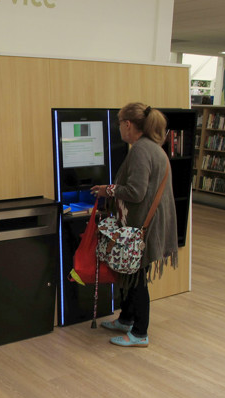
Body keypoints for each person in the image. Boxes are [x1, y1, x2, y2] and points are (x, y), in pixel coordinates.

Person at [91, 102, 178, 348]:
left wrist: (107, 190)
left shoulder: (141, 150)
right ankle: (126, 319)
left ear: (128, 124)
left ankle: (139, 333)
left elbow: (136, 192)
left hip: (141, 228)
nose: (119, 128)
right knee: (130, 274)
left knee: (137, 278)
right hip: (148, 225)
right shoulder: (153, 148)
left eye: (119, 123)